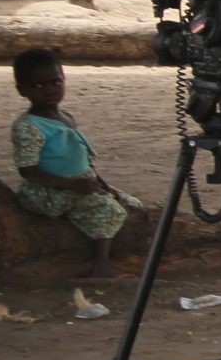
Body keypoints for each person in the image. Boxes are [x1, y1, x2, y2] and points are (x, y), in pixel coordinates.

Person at [10, 49, 143, 278]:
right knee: (110, 211)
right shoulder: (29, 127)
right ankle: (100, 265)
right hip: (48, 190)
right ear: (23, 90)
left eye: (55, 82)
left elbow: (84, 160)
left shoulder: (66, 117)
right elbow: (29, 171)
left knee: (131, 203)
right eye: (39, 86)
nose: (50, 90)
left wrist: (104, 185)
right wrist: (71, 185)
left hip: (79, 183)